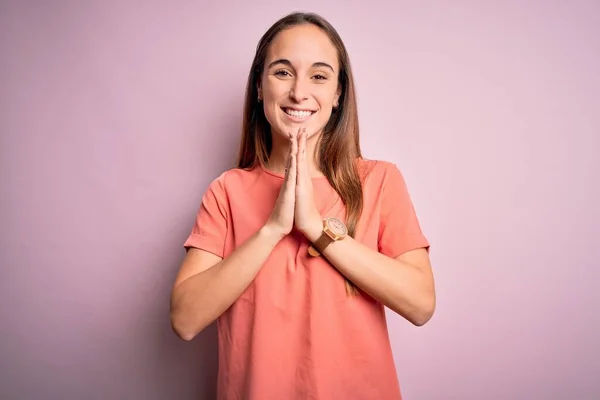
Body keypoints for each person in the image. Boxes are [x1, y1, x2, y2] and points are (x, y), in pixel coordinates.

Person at [170, 11, 436, 400]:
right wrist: (273, 228)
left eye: (319, 75)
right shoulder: (226, 192)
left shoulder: (380, 181)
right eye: (282, 72)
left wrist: (314, 226)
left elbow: (421, 304)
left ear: (339, 93)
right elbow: (185, 320)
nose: (299, 92)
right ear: (259, 87)